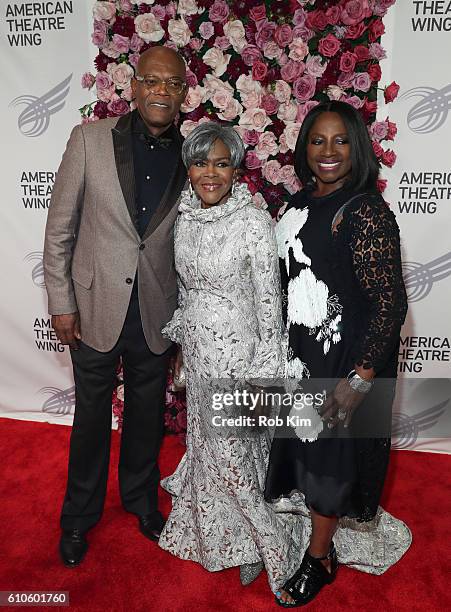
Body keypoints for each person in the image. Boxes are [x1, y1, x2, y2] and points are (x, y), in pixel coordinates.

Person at [43, 46, 188, 567]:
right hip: (94, 305)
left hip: (155, 312)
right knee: (89, 420)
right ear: (133, 86)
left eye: (172, 84)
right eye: (152, 81)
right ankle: (78, 518)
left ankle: (141, 502)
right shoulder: (89, 139)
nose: (161, 91)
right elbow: (60, 229)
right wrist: (62, 302)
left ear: (182, 93)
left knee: (147, 417)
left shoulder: (193, 153)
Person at [264, 101, 411, 607]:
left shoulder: (366, 210)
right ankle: (313, 540)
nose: (328, 151)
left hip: (342, 361)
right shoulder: (296, 203)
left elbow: (390, 304)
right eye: (317, 141)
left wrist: (362, 377)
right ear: (304, 148)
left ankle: (319, 558)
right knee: (306, 450)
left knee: (329, 461)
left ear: (357, 148)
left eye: (340, 141)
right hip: (301, 355)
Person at [158, 122, 303, 592]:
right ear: (189, 167)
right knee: (211, 451)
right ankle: (240, 543)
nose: (211, 174)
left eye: (222, 163)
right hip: (199, 358)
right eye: (201, 162)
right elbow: (185, 291)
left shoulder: (253, 222)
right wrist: (182, 348)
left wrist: (263, 376)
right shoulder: (185, 219)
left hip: (239, 361)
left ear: (236, 169)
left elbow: (269, 303)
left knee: (235, 459)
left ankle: (274, 548)